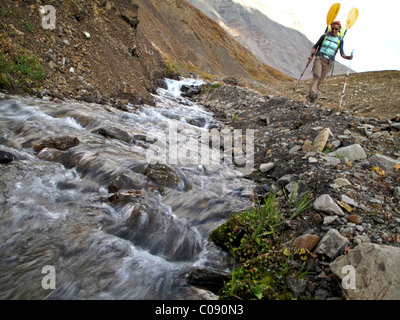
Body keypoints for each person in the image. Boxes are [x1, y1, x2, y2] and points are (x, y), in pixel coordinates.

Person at [307, 21, 353, 103]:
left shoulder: (340, 41)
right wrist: (311, 56)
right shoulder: (324, 36)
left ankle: (310, 97)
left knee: (320, 80)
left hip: (329, 62)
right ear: (330, 28)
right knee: (317, 76)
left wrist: (348, 57)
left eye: (336, 29)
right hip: (319, 58)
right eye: (332, 28)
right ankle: (313, 93)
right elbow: (316, 46)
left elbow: (342, 53)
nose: (334, 30)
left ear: (339, 30)